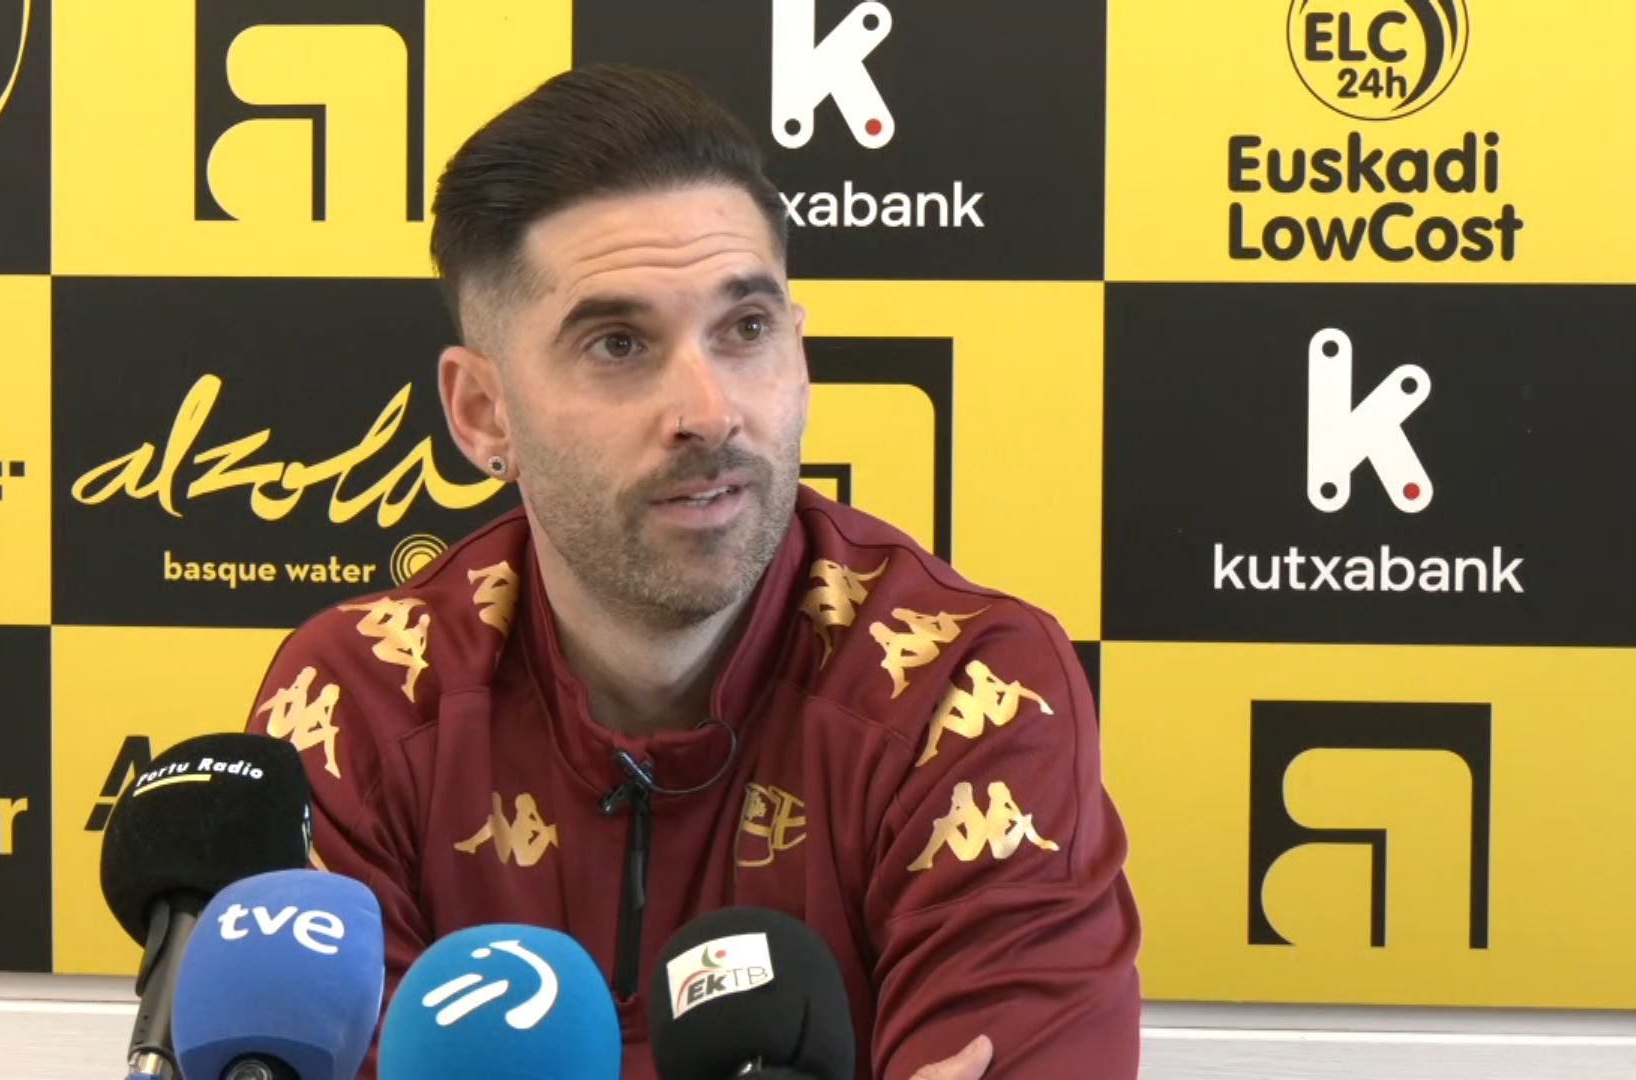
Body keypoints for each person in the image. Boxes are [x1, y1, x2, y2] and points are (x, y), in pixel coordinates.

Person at [246, 64, 1140, 1079]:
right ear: (484, 415)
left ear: (798, 353)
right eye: (619, 344)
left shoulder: (968, 691)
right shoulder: (360, 699)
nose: (710, 413)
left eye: (746, 330)